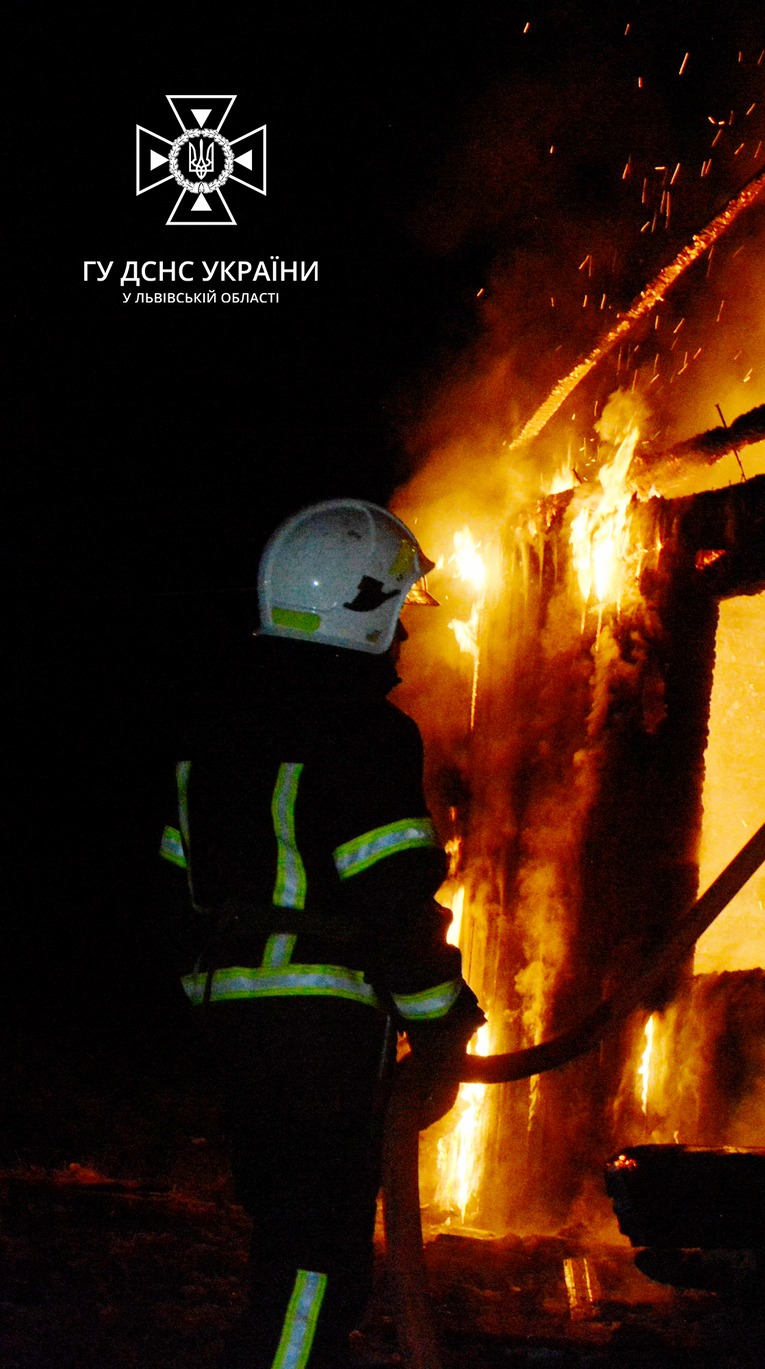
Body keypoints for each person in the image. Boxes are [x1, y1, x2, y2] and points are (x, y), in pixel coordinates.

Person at [157, 499, 482, 1369]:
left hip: (234, 1020)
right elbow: (394, 901)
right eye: (398, 615)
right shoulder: (367, 735)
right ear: (362, 611)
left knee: (284, 1231)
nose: (407, 640)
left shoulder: (214, 731)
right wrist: (444, 1017)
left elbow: (176, 883)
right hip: (322, 1029)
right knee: (317, 1257)